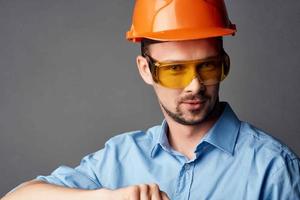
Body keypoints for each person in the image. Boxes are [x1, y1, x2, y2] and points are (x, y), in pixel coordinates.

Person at [2, 0, 299, 199]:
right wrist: (102, 198)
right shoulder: (120, 157)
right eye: (175, 70)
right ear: (146, 70)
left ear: (224, 64)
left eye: (207, 66)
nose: (194, 85)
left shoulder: (273, 168)